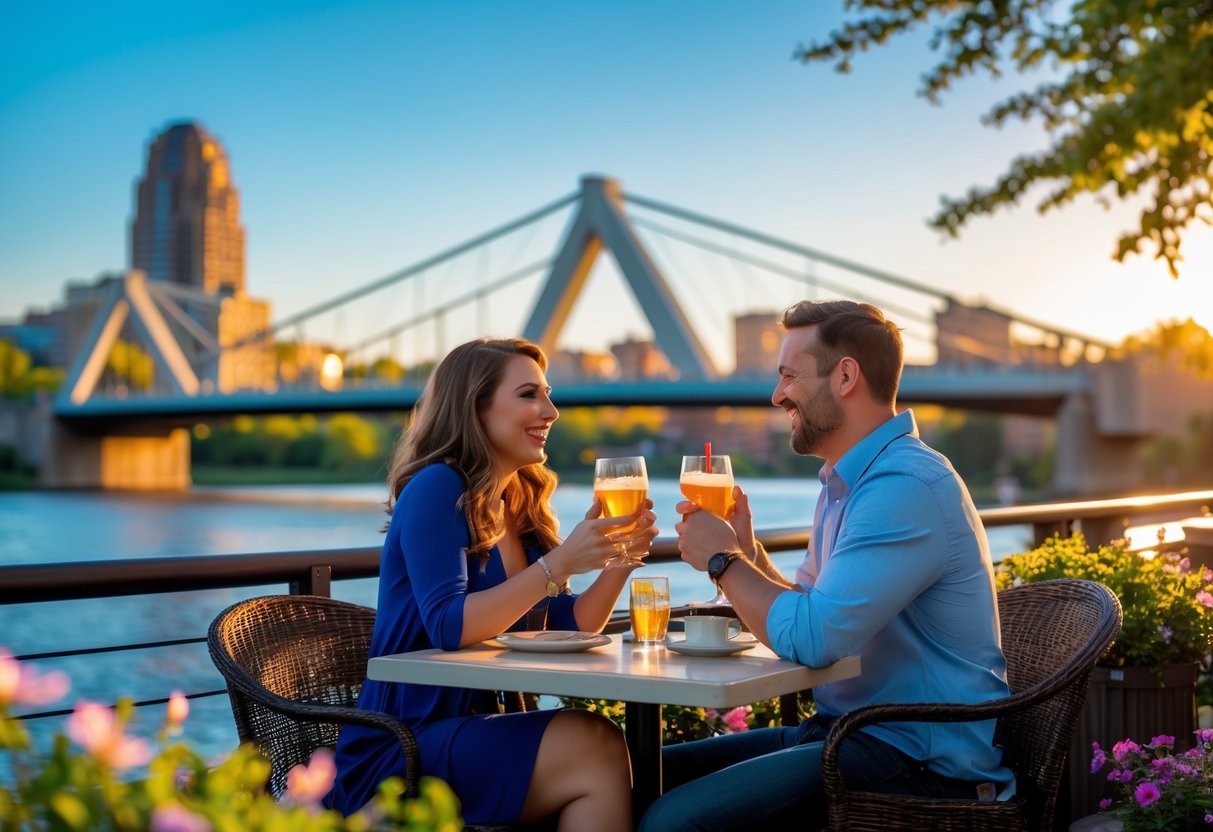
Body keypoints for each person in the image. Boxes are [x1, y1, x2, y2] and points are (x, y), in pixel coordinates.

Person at [640, 300, 1016, 831]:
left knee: (672, 822)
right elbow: (809, 616)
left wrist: (724, 562)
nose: (776, 396)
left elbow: (814, 639)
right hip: (847, 731)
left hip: (918, 761)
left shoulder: (903, 485)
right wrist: (746, 558)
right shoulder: (848, 481)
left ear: (845, 376)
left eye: (789, 376)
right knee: (632, 775)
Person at [326, 337, 657, 831]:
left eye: (548, 394)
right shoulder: (437, 486)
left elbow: (569, 621)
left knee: (599, 746)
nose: (551, 411)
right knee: (595, 745)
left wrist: (619, 558)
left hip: (472, 727)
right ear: (475, 408)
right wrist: (560, 563)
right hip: (404, 745)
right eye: (529, 394)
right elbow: (447, 625)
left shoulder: (518, 500)